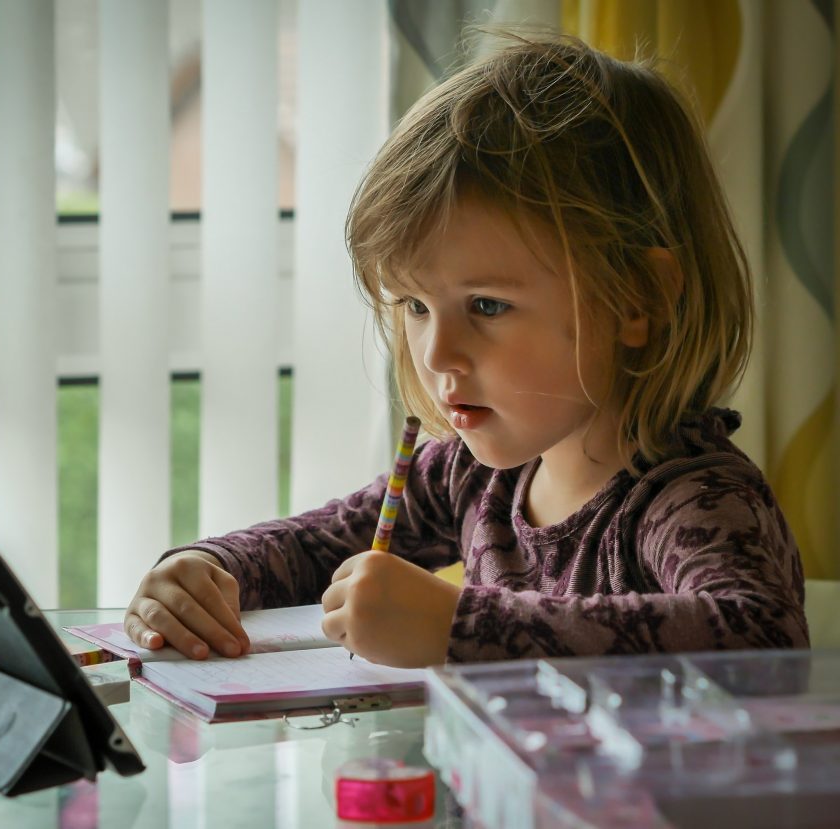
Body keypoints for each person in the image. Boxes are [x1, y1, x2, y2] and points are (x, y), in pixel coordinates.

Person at [124, 33, 808, 668]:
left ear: (638, 300)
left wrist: (461, 625)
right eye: (416, 307)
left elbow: (761, 639)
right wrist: (204, 568)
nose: (437, 353)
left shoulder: (694, 497)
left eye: (487, 305)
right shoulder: (467, 477)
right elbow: (309, 547)